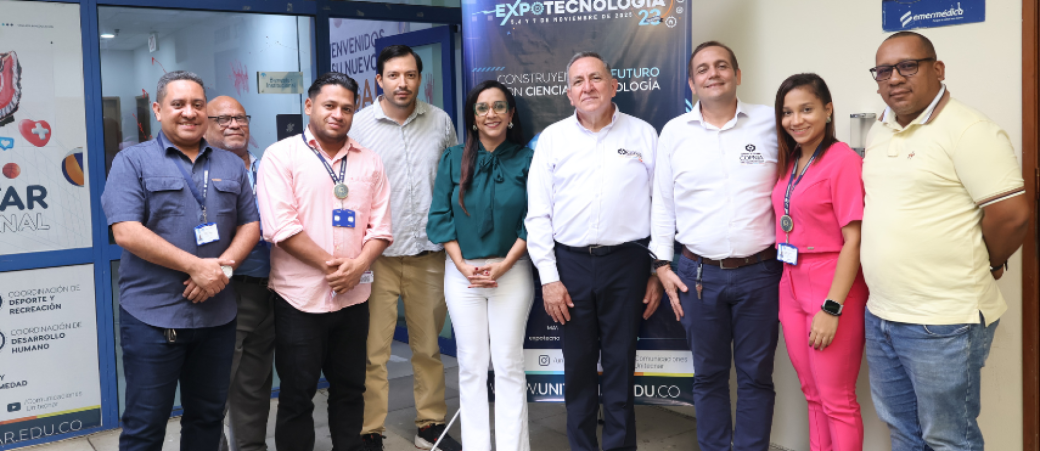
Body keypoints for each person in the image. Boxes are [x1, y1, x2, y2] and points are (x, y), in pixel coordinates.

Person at [862, 31, 1028, 450]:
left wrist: (992, 261)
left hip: (943, 321)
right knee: (902, 430)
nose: (894, 78)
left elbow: (1012, 216)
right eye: (884, 70)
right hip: (882, 314)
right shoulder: (879, 130)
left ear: (937, 69)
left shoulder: (970, 130)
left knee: (949, 439)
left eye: (907, 66)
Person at [101, 71, 261, 451]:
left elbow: (250, 224)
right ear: (158, 110)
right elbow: (126, 231)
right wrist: (195, 267)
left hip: (217, 317)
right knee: (145, 426)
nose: (189, 112)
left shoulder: (230, 165)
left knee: (206, 419)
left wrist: (222, 269)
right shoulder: (132, 161)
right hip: (153, 318)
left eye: (197, 104)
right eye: (178, 104)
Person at [526, 51, 661, 451]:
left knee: (621, 367)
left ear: (613, 85)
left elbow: (662, 206)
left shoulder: (643, 135)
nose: (588, 87)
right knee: (578, 370)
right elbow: (538, 214)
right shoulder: (553, 140)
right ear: (569, 94)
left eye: (596, 78)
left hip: (628, 264)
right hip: (569, 267)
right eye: (578, 81)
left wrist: (657, 269)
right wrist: (549, 279)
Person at [651, 41, 781, 451]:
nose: (713, 74)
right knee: (708, 377)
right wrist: (661, 265)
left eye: (722, 66)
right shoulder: (674, 133)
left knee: (756, 377)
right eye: (703, 69)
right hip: (698, 275)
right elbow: (662, 205)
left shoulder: (770, 122)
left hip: (761, 273)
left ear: (737, 75)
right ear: (692, 83)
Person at [255, 72, 392, 451]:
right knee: (297, 394)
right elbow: (281, 227)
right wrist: (337, 267)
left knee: (351, 389)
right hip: (299, 299)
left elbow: (381, 228)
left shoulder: (370, 162)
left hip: (354, 299)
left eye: (347, 108)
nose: (338, 114)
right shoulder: (281, 156)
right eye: (329, 105)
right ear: (309, 106)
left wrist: (358, 267)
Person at [349, 44, 461, 451]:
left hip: (428, 254)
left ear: (419, 78)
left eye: (410, 75)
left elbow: (453, 179)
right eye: (394, 75)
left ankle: (430, 424)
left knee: (428, 348)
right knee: (373, 351)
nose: (403, 83)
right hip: (374, 258)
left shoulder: (440, 120)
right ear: (379, 80)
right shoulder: (358, 125)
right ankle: (370, 429)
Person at [426, 80, 535, 451]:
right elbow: (440, 215)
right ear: (472, 117)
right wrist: (460, 264)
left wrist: (505, 264)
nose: (491, 114)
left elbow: (534, 219)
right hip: (462, 275)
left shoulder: (526, 160)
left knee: (508, 364)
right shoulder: (452, 158)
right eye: (482, 107)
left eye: (499, 106)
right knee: (472, 366)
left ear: (511, 114)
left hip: (511, 272)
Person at [770, 74, 867, 451]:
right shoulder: (792, 160)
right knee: (812, 395)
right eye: (787, 112)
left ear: (828, 110)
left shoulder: (843, 161)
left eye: (806, 109)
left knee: (837, 400)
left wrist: (832, 307)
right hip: (791, 282)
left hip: (831, 284)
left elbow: (854, 240)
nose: (796, 120)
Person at [204, 96, 275, 451]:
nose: (234, 124)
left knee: (254, 385)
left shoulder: (269, 167)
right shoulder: (200, 171)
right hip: (224, 290)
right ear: (205, 125)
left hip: (271, 290)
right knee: (215, 387)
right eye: (223, 119)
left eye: (240, 117)